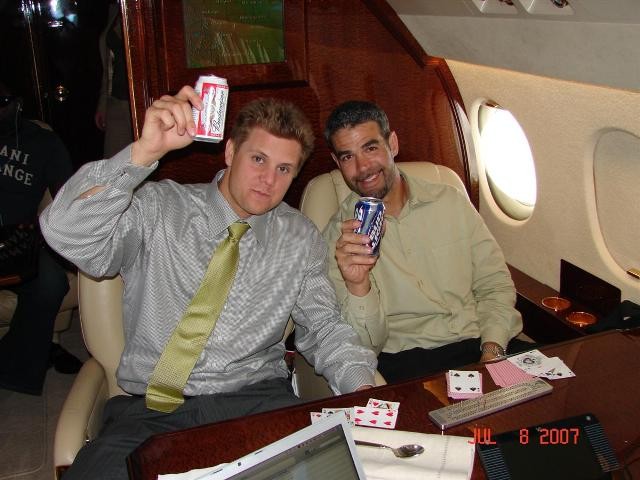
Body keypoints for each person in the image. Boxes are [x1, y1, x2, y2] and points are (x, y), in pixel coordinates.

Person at [40, 86, 376, 479]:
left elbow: (325, 328)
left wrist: (364, 390)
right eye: (258, 159)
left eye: (284, 169)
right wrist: (143, 152)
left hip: (257, 402)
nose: (268, 180)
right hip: (151, 412)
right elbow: (65, 230)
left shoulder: (299, 237)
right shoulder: (157, 208)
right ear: (231, 152)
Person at [322, 100, 525, 383]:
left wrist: (492, 351)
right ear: (337, 163)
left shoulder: (451, 202)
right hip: (409, 360)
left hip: (481, 342)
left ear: (392, 144)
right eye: (347, 157)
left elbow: (495, 285)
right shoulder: (338, 240)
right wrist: (358, 285)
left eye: (370, 148)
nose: (363, 167)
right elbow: (362, 346)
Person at [0, 82, 83, 396]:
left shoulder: (43, 142)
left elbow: (67, 197)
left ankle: (17, 365)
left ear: (17, 103)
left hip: (21, 237)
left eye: (2, 102)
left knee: (51, 281)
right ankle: (39, 348)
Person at [95, 0, 133, 157]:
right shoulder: (115, 8)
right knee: (114, 161)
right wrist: (103, 103)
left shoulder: (141, 7)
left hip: (141, 102)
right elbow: (109, 63)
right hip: (117, 101)